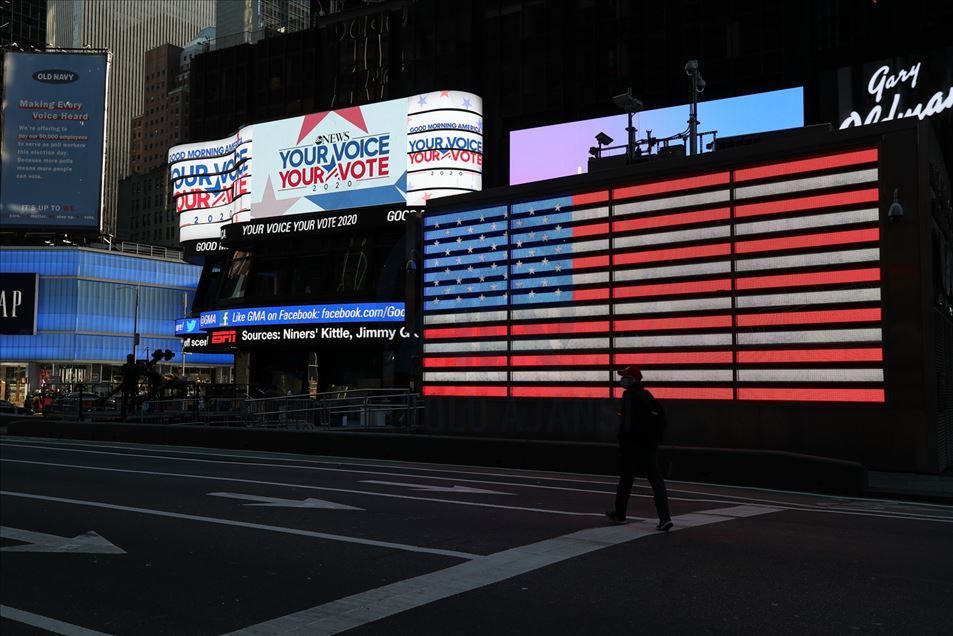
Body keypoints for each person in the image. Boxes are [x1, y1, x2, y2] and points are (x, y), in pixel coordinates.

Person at [606, 366, 673, 531]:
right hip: (649, 445)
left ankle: (620, 514)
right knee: (656, 481)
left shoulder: (629, 395)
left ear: (633, 379)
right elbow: (661, 415)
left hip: (632, 446)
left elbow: (627, 424)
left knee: (626, 479)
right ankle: (665, 518)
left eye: (626, 376)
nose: (623, 379)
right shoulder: (647, 394)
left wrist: (623, 442)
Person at [120, 354, 140, 420]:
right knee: (133, 397)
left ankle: (124, 411)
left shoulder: (125, 366)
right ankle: (133, 410)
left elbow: (122, 374)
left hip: (126, 384)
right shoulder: (136, 366)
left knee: (125, 398)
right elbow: (138, 376)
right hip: (133, 384)